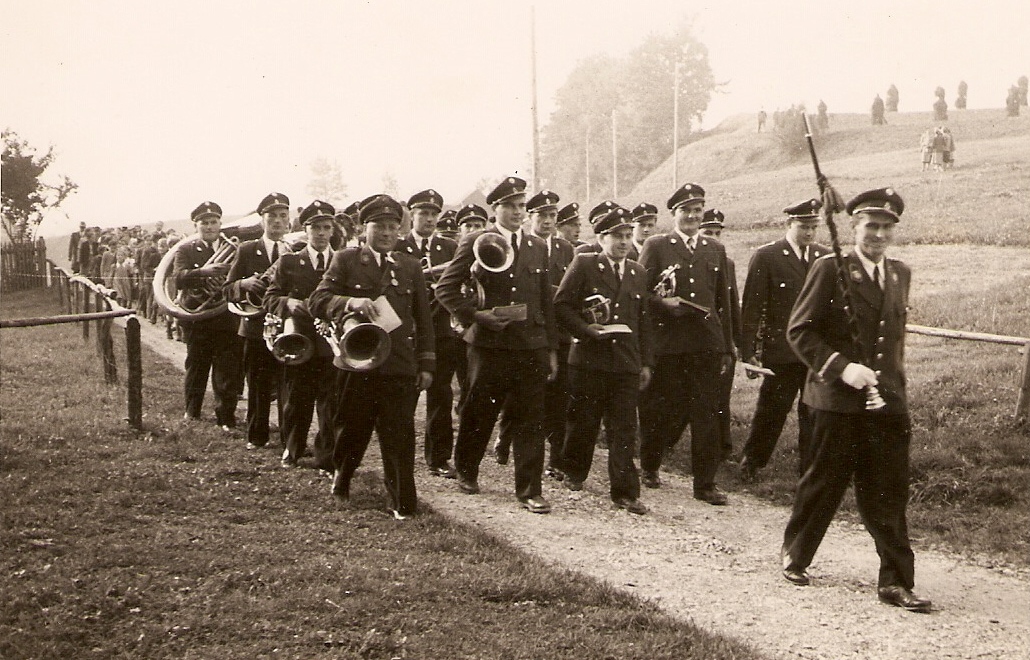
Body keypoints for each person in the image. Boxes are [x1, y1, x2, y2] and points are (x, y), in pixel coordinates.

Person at [781, 187, 931, 614]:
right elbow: (800, 331)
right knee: (824, 482)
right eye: (871, 226)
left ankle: (896, 581)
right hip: (836, 401)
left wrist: (889, 387)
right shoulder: (832, 269)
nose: (879, 235)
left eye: (886, 228)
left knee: (888, 491)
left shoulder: (900, 272)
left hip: (886, 402)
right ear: (854, 227)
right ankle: (796, 553)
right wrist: (842, 367)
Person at [435, 176, 559, 514]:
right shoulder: (475, 240)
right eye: (511, 206)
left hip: (530, 345)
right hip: (490, 344)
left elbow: (545, 302)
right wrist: (476, 316)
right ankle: (467, 470)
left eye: (522, 206)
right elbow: (444, 289)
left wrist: (551, 349)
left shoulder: (537, 246)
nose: (519, 212)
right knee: (479, 411)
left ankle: (530, 490)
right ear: (496, 209)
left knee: (531, 419)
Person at [309, 194, 435, 520]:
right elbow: (318, 300)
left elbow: (424, 319)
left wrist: (427, 363)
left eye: (394, 227)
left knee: (400, 433)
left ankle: (402, 502)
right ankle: (343, 476)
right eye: (380, 226)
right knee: (352, 427)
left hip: (398, 363)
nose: (387, 233)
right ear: (366, 228)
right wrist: (350, 303)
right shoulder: (346, 260)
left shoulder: (410, 266)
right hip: (356, 363)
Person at [637, 182, 735, 505]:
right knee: (661, 410)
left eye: (697, 210)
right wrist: (662, 304)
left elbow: (723, 302)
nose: (692, 216)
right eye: (686, 211)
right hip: (668, 345)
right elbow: (640, 294)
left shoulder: (715, 249)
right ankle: (650, 464)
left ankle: (704, 484)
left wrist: (726, 347)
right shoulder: (656, 245)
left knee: (706, 413)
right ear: (674, 214)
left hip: (705, 344)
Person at [554, 207, 653, 515]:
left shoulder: (638, 272)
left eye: (627, 236)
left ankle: (625, 492)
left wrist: (646, 363)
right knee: (584, 419)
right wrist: (584, 330)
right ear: (601, 238)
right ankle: (573, 471)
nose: (624, 243)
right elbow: (562, 306)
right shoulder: (584, 264)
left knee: (624, 427)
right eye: (617, 237)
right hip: (589, 360)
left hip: (625, 362)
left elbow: (644, 321)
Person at [739, 199, 828, 481]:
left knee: (813, 413)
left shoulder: (824, 257)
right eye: (804, 227)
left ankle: (809, 471)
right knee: (772, 410)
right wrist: (748, 352)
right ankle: (752, 463)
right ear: (789, 224)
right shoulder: (767, 256)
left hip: (814, 353)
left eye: (814, 227)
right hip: (781, 352)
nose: (810, 233)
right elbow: (752, 308)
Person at [494, 190, 573, 476]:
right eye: (543, 216)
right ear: (533, 218)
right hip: (523, 330)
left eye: (553, 216)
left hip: (556, 330)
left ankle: (555, 458)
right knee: (519, 397)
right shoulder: (522, 244)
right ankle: (505, 437)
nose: (549, 221)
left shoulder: (566, 249)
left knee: (557, 397)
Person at [263, 200, 337, 470]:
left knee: (331, 402)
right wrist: (287, 304)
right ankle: (292, 450)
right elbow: (269, 297)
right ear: (305, 229)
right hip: (299, 342)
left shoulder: (342, 260)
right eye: (315, 227)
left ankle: (326, 456)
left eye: (326, 227)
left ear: (332, 231)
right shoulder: (290, 261)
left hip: (332, 343)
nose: (320, 233)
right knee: (296, 400)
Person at [395, 189, 460, 478]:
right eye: (424, 213)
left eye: (435, 214)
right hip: (407, 332)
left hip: (442, 330)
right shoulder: (398, 245)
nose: (430, 219)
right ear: (412, 215)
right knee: (403, 396)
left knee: (441, 395)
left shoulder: (449, 247)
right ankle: (400, 452)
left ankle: (438, 457)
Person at [225, 192, 291, 450]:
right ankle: (257, 436)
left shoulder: (294, 251)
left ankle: (289, 438)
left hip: (288, 327)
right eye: (271, 216)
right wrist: (244, 283)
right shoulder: (247, 249)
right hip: (255, 328)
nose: (277, 221)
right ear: (261, 220)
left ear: (289, 221)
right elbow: (226, 289)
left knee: (289, 385)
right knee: (258, 385)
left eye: (282, 216)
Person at [173, 201, 243, 430]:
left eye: (214, 222)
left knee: (227, 367)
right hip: (198, 315)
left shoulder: (234, 248)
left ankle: (226, 416)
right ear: (196, 225)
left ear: (220, 224)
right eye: (204, 223)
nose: (210, 227)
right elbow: (178, 278)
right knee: (197, 364)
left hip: (225, 315)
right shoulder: (186, 249)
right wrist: (203, 272)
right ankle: (192, 411)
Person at [698, 208, 741, 461]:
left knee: (721, 396)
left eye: (717, 233)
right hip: (696, 337)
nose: (714, 238)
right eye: (708, 232)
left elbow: (731, 302)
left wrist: (736, 341)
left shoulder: (727, 263)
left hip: (721, 338)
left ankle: (723, 448)